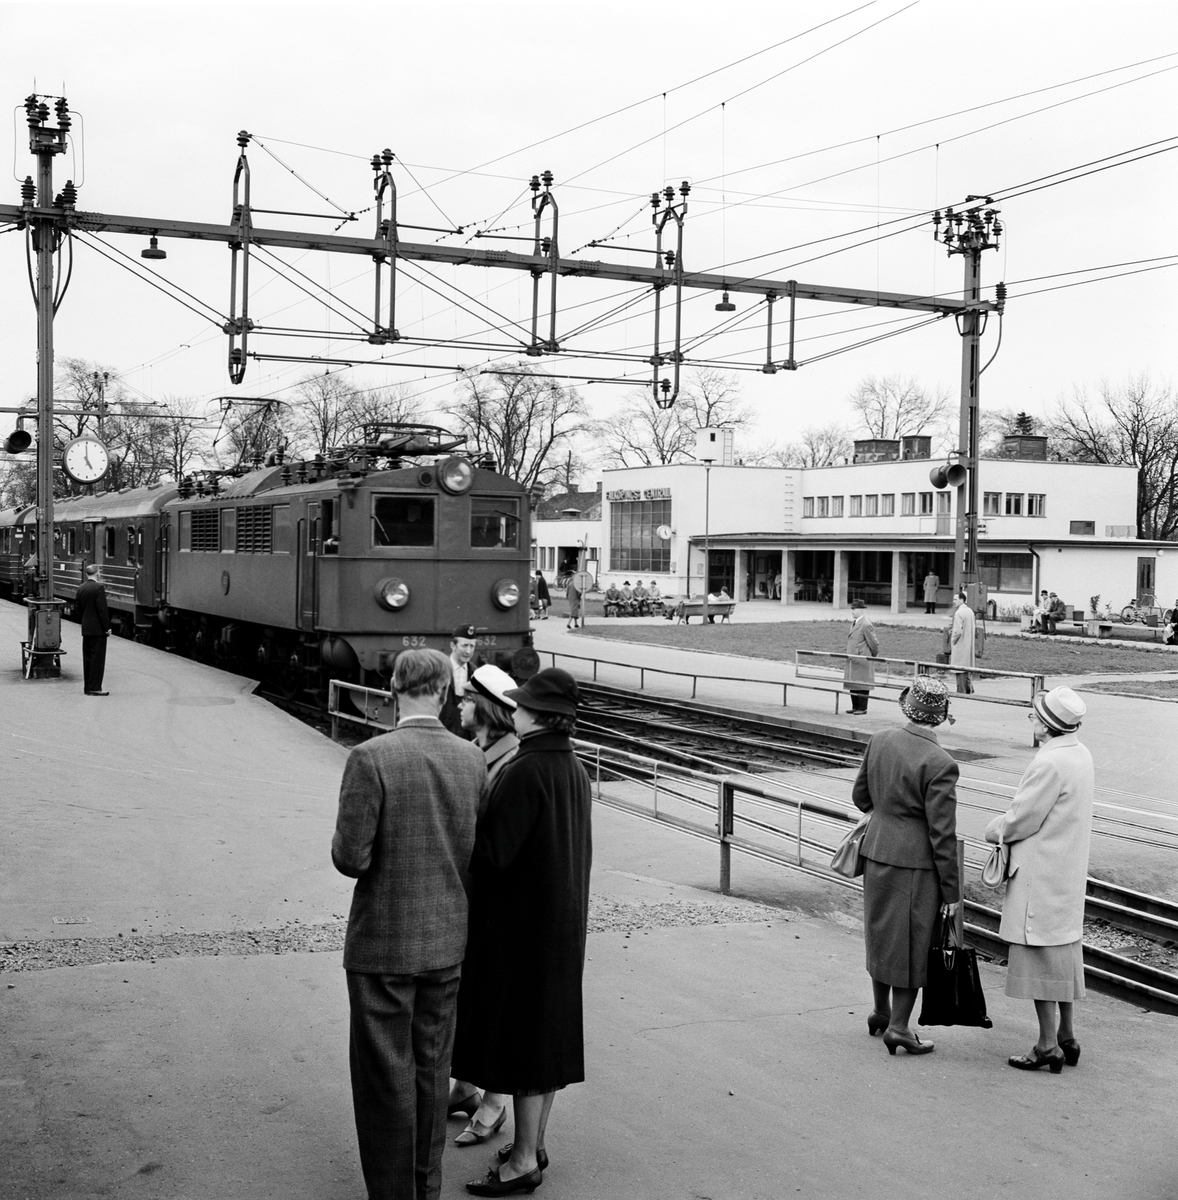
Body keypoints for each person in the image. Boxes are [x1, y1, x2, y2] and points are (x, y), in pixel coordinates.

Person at [332, 648, 487, 1200]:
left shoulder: (370, 757)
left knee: (384, 1079)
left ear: (394, 689)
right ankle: (426, 1187)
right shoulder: (471, 760)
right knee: (431, 1070)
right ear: (444, 692)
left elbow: (351, 858)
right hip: (446, 941)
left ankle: (393, 1193)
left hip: (383, 944)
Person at [452, 669, 592, 1197]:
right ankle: (534, 1144)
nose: (516, 710)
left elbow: (492, 855)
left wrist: (462, 821)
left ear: (538, 715)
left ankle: (524, 1161)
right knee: (545, 1040)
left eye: (523, 705)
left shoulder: (527, 768)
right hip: (560, 925)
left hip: (522, 930)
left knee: (527, 1046)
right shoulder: (572, 766)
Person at [985, 687, 1094, 1074]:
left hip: (1039, 874)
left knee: (1039, 956)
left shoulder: (1048, 762)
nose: (1031, 720)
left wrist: (994, 828)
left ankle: (1047, 1045)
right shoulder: (1080, 754)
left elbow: (1022, 818)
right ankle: (1067, 1035)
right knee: (1063, 950)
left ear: (1047, 726)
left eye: (1034, 716)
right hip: (1065, 870)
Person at [852, 675, 960, 1055]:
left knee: (881, 934)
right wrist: (952, 892)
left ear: (906, 707)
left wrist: (888, 817)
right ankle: (899, 1028)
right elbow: (942, 834)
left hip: (876, 851)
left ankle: (880, 1012)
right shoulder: (941, 763)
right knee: (913, 945)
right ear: (941, 716)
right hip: (916, 866)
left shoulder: (880, 740)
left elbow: (860, 796)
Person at [448, 665, 522, 1147]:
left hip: (498, 906)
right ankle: (465, 1087)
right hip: (474, 898)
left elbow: (501, 844)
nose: (460, 705)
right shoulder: (483, 752)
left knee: (495, 1002)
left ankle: (494, 1103)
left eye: (467, 699)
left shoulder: (510, 762)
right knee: (472, 997)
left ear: (487, 708)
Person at [75, 563, 111, 696]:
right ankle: (95, 687)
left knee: (88, 658)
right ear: (97, 573)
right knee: (97, 659)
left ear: (86, 574)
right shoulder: (99, 588)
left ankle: (88, 688)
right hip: (98, 630)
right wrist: (107, 628)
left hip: (86, 629)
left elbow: (78, 609)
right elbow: (102, 610)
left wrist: (85, 621)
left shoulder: (81, 588)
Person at [440, 625, 479, 735]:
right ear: (453, 646)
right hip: (443, 733)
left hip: (468, 736)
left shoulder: (476, 674)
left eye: (472, 646)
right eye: (465, 645)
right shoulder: (439, 670)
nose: (468, 651)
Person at [843, 598, 879, 715]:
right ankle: (855, 706)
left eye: (854, 609)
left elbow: (874, 643)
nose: (852, 611)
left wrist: (871, 655)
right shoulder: (855, 623)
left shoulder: (866, 624)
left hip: (862, 658)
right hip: (853, 658)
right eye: (852, 609)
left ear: (860, 610)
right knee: (853, 682)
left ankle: (862, 708)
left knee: (862, 683)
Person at [950, 593, 976, 694]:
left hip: (960, 642)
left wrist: (953, 640)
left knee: (959, 667)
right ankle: (969, 687)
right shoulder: (970, 611)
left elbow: (957, 631)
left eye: (955, 599)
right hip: (968, 641)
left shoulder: (958, 613)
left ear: (962, 600)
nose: (954, 601)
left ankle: (961, 689)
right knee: (967, 666)